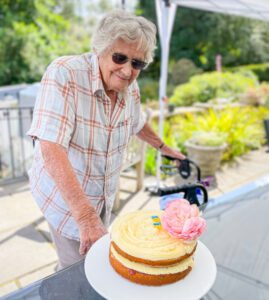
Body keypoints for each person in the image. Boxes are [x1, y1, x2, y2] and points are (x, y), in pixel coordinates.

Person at [27, 10, 185, 271]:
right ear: (99, 49)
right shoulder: (64, 73)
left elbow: (137, 122)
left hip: (102, 197)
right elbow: (50, 146)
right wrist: (86, 217)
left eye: (137, 64)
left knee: (93, 264)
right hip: (69, 203)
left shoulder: (129, 86)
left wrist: (164, 147)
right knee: (75, 271)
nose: (127, 70)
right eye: (119, 57)